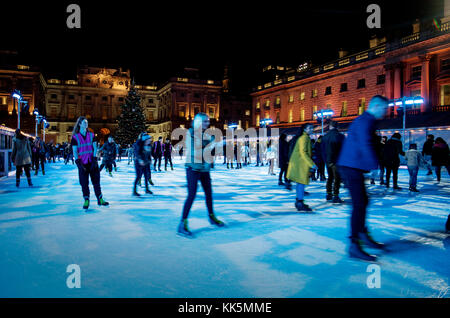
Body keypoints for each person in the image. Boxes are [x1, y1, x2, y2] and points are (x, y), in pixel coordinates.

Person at [337, 95, 388, 262]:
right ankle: (354, 245)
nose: (386, 112)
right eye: (384, 108)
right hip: (350, 167)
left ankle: (362, 235)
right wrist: (374, 166)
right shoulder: (366, 120)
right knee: (359, 204)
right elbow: (365, 143)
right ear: (376, 106)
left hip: (352, 166)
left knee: (363, 202)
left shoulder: (365, 120)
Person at [178, 113, 224, 238]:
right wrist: (211, 145)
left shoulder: (207, 134)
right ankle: (182, 223)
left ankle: (211, 217)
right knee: (192, 195)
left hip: (204, 169)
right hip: (193, 168)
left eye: (208, 121)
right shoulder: (191, 133)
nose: (207, 123)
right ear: (198, 122)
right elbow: (195, 151)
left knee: (209, 193)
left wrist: (216, 146)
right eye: (204, 121)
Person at [71, 116, 109, 209]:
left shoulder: (92, 135)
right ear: (79, 124)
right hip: (82, 163)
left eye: (87, 122)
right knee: (84, 183)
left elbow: (95, 147)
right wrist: (78, 163)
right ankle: (86, 200)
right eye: (84, 122)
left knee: (96, 182)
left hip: (92, 161)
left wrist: (95, 159)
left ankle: (100, 199)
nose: (86, 124)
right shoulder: (75, 137)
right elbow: (75, 151)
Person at [286, 123, 316, 212]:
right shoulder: (304, 138)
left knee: (300, 183)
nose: (311, 129)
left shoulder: (304, 137)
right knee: (301, 183)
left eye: (312, 127)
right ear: (304, 129)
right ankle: (299, 202)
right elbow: (303, 152)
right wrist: (312, 164)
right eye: (309, 128)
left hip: (299, 163)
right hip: (301, 164)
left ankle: (299, 201)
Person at [321, 121, 345, 203]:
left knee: (330, 177)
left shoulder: (324, 137)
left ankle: (328, 193)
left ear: (330, 126)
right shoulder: (340, 136)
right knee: (337, 178)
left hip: (328, 160)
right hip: (337, 161)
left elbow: (322, 150)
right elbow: (343, 150)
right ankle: (335, 195)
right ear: (337, 127)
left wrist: (325, 160)